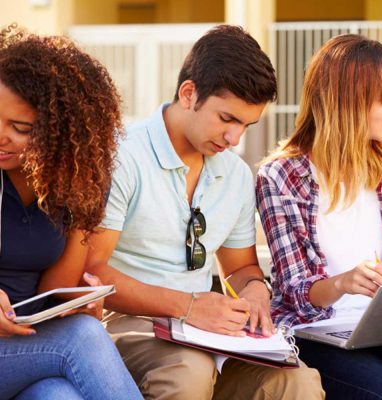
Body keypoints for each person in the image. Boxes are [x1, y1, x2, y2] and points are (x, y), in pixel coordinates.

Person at [83, 25, 324, 400]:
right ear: (188, 94)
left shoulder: (236, 174)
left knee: (297, 383)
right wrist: (188, 306)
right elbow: (92, 271)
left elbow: (241, 269)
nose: (235, 138)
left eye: (246, 125)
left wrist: (255, 292)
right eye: (227, 119)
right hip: (126, 323)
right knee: (188, 373)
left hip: (206, 331)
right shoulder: (121, 156)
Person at [256, 34, 382, 400]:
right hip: (317, 331)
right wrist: (343, 283)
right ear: (347, 101)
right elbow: (296, 291)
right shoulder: (280, 177)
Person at [0, 25, 141, 399]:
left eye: (20, 127)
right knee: (83, 337)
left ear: (59, 132)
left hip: (24, 346)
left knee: (59, 396)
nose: (1, 135)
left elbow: (52, 290)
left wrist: (80, 301)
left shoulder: (78, 182)